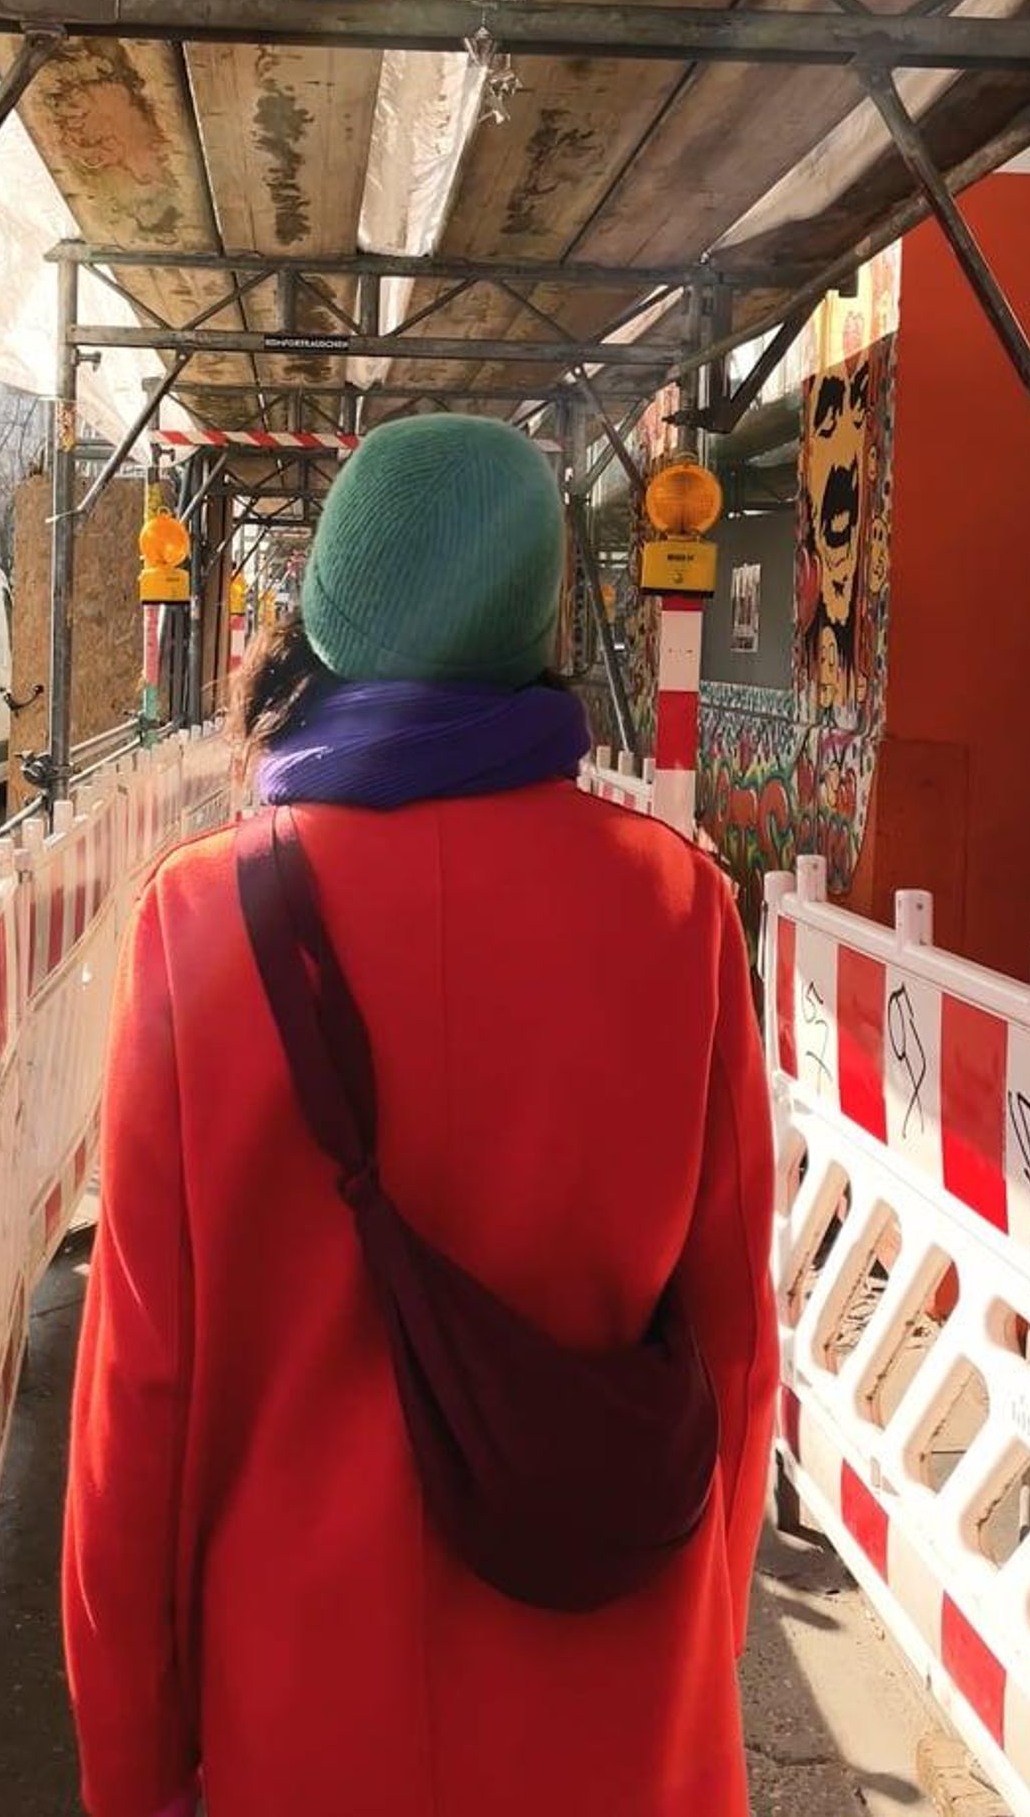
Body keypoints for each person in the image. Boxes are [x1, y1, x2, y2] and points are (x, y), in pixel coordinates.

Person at [64, 415, 778, 1817]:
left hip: (300, 1718)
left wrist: (131, 1765)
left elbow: (140, 1394)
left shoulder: (200, 922)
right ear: (538, 628)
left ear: (323, 620)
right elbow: (736, 1350)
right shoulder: (678, 909)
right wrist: (702, 1646)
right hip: (615, 1716)